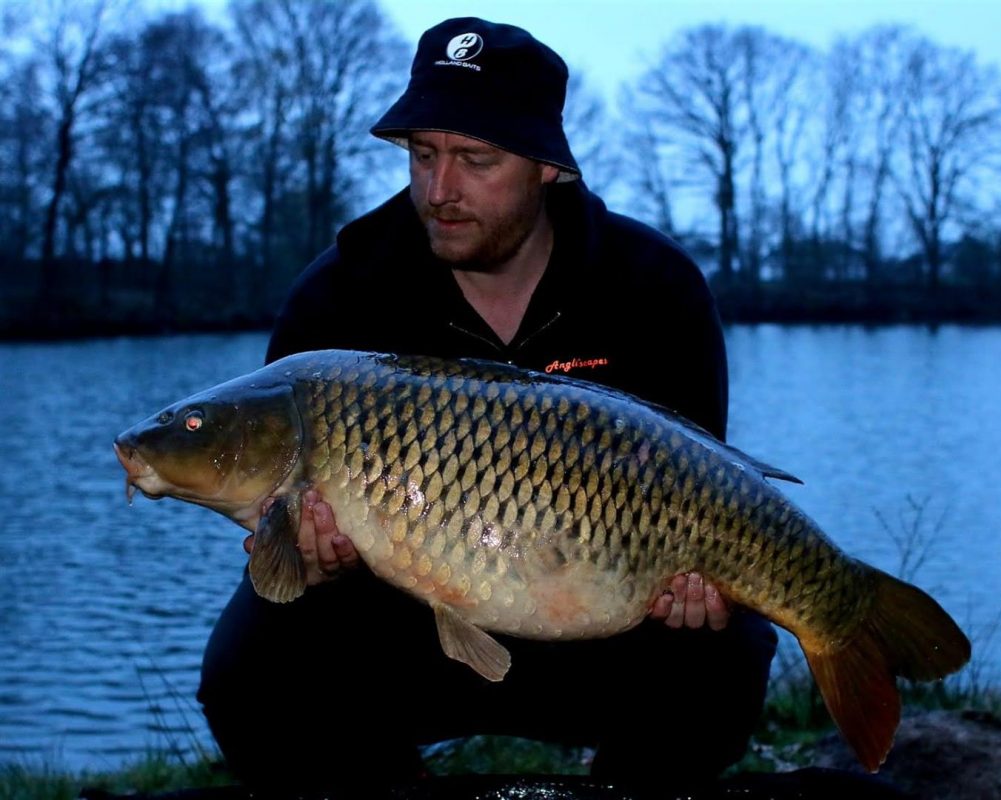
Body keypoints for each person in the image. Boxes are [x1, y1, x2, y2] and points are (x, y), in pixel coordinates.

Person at [198, 17, 777, 798]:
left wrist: (696, 586)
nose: (440, 191)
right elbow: (286, 527)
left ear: (547, 168)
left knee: (731, 645)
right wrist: (307, 554)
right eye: (423, 155)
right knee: (251, 670)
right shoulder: (339, 294)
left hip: (604, 618)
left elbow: (702, 485)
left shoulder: (655, 288)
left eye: (476, 159)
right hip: (399, 621)